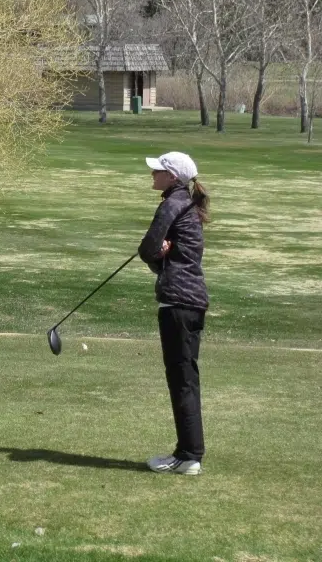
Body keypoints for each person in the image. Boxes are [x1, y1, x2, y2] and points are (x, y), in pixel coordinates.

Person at [138, 151, 211, 475]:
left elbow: (147, 248)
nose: (152, 174)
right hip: (191, 302)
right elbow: (159, 254)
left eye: (158, 171)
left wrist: (158, 257)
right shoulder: (188, 204)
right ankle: (189, 453)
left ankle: (188, 456)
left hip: (178, 304)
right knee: (185, 379)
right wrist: (160, 258)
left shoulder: (172, 204)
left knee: (181, 381)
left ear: (172, 177)